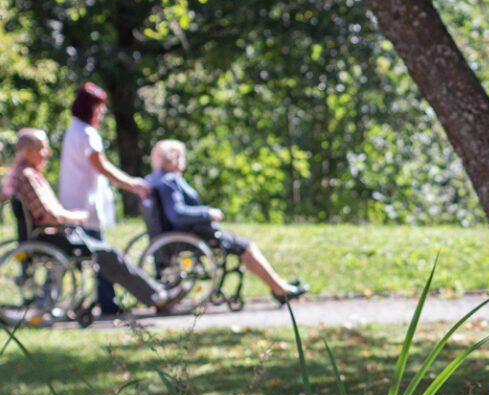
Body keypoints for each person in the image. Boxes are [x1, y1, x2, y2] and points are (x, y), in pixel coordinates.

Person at [5, 129, 186, 315]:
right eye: (42, 149)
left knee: (106, 252)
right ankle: (157, 297)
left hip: (49, 235)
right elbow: (50, 215)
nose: (47, 153)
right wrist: (74, 217)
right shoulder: (28, 175)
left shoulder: (17, 175)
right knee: (108, 254)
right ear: (28, 151)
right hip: (51, 237)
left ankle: (155, 295)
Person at [145, 140, 307, 304]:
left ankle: (279, 284)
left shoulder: (153, 179)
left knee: (243, 245)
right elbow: (177, 214)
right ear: (175, 159)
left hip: (176, 235)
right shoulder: (169, 181)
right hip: (192, 235)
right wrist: (207, 213)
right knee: (246, 247)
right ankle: (279, 289)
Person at [57, 82, 150, 318]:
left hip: (75, 203)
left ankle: (104, 300)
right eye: (99, 106)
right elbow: (103, 167)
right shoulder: (87, 134)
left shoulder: (74, 130)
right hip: (84, 207)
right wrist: (132, 184)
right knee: (103, 255)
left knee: (98, 254)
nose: (103, 111)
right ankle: (107, 303)